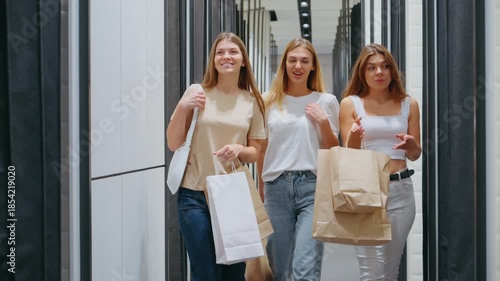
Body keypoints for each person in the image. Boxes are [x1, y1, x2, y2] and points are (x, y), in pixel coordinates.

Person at [166, 32, 266, 281]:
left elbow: (255, 153)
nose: (226, 57)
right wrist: (182, 107)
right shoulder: (197, 92)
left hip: (231, 194)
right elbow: (173, 143)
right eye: (220, 52)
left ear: (243, 60)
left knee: (233, 273)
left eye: (233, 52)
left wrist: (239, 150)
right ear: (213, 60)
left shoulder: (251, 101)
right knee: (205, 273)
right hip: (194, 194)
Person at [257, 38, 340, 281]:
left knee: (305, 270)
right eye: (292, 60)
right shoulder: (268, 100)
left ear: (313, 66)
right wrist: (261, 189)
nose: (298, 66)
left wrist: (323, 122)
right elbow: (262, 149)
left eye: (305, 61)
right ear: (284, 64)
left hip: (312, 188)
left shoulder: (326, 101)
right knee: (279, 270)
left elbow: (334, 149)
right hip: (275, 189)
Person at [339, 43, 421, 281]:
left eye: (385, 67)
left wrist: (413, 146)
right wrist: (354, 135)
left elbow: (414, 154)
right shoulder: (350, 104)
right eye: (372, 68)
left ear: (392, 71)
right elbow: (348, 154)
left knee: (389, 270)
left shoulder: (409, 104)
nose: (379, 73)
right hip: (366, 189)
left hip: (400, 189)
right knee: (370, 270)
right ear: (362, 73)